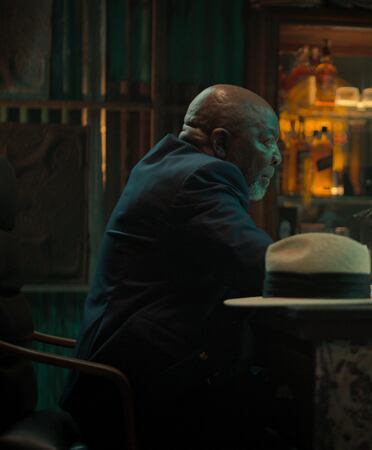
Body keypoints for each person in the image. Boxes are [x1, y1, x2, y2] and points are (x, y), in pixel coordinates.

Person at [61, 84, 282, 449]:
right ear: (221, 142)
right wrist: (337, 260)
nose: (277, 158)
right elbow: (261, 264)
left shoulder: (167, 165)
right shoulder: (202, 177)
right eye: (268, 141)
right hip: (138, 397)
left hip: (118, 378)